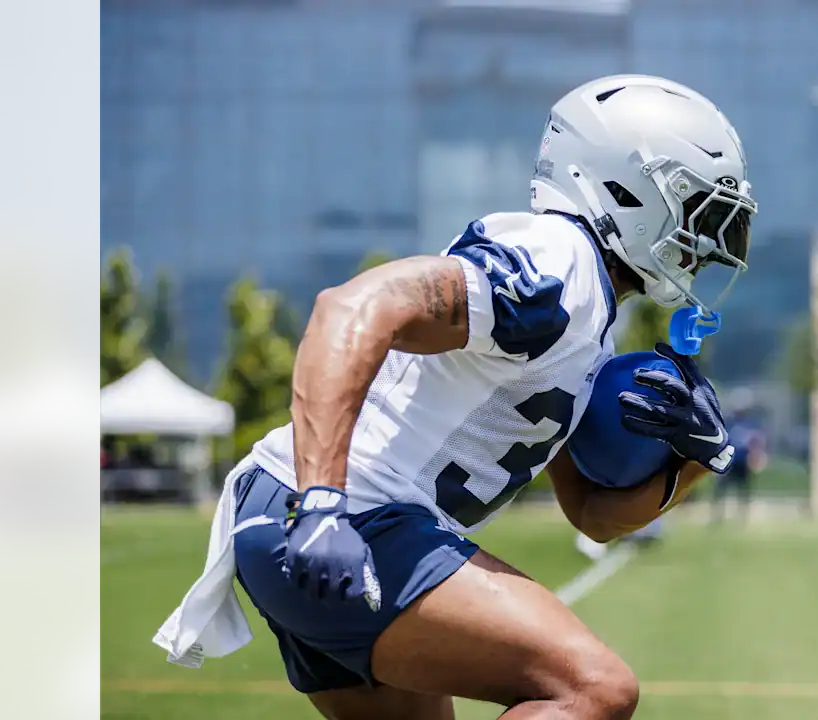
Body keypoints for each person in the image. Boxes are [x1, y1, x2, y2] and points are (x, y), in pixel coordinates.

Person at [154, 74, 756, 720]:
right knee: (593, 688)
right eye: (697, 212)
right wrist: (323, 498)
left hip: (321, 518)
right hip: (343, 515)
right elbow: (348, 308)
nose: (706, 242)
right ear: (623, 187)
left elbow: (591, 514)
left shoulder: (587, 319)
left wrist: (698, 459)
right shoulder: (558, 265)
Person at [711, 389, 767, 524]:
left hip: (743, 462)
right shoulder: (727, 422)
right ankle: (718, 517)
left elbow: (756, 442)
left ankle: (741, 518)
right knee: (720, 491)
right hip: (728, 461)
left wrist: (756, 458)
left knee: (743, 492)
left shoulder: (751, 424)